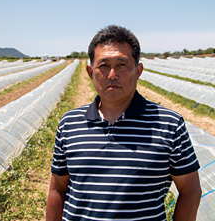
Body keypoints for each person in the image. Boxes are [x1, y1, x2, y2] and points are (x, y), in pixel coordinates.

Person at [46, 25, 202, 221]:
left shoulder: (169, 124)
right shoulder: (69, 124)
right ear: (90, 72)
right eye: (103, 65)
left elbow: (190, 190)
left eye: (122, 64)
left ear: (138, 71)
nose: (112, 74)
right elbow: (57, 189)